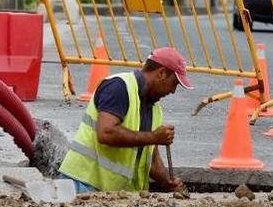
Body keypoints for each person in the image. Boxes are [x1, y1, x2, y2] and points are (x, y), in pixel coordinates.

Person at [59, 47, 193, 193]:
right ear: (161, 73)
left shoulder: (155, 109)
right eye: (173, 83)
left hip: (110, 193)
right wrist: (154, 137)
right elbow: (106, 133)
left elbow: (151, 159)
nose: (173, 91)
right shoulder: (118, 87)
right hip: (82, 183)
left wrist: (167, 181)